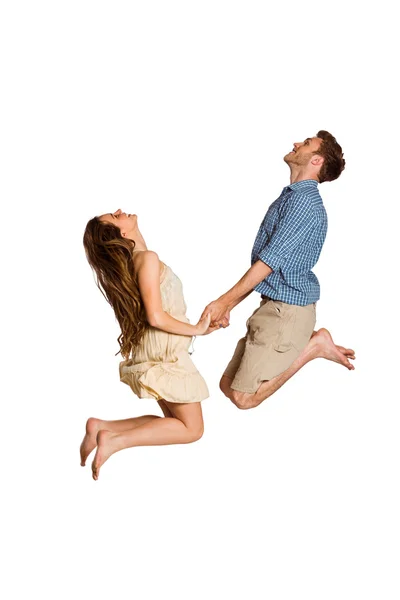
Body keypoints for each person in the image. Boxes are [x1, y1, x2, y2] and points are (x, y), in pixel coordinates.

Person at [202, 131, 355, 410]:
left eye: (306, 144)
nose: (297, 143)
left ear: (317, 160)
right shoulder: (292, 197)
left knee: (243, 397)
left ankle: (315, 347)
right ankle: (315, 343)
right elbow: (267, 267)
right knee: (228, 386)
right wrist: (229, 307)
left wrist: (223, 301)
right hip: (273, 306)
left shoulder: (303, 203)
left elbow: (268, 262)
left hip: (287, 312)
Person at [81, 210, 215, 479]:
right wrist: (197, 330)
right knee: (192, 429)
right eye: (115, 217)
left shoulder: (137, 262)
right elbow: (156, 316)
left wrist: (197, 328)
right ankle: (114, 440)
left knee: (176, 424)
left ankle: (101, 427)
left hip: (158, 350)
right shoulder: (147, 259)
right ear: (122, 233)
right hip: (166, 355)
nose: (120, 211)